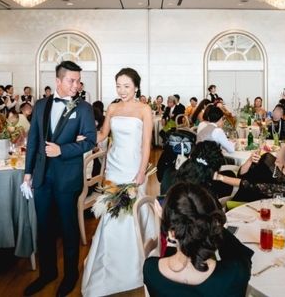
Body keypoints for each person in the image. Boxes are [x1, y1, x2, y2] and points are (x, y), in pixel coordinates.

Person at [23, 61, 97, 297]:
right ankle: (47, 273)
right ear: (58, 81)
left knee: (68, 228)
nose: (76, 85)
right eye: (71, 80)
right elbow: (33, 141)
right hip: (42, 176)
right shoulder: (41, 105)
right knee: (44, 227)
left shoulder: (84, 108)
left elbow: (90, 141)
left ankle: (70, 275)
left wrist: (62, 150)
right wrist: (28, 172)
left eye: (78, 81)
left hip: (67, 177)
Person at [82, 67, 155, 297]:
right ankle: (110, 261)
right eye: (118, 86)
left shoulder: (144, 109)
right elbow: (103, 135)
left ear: (136, 87)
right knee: (112, 215)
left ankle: (133, 263)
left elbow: (146, 144)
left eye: (126, 86)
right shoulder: (112, 108)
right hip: (114, 167)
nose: (122, 90)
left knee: (131, 212)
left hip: (133, 167)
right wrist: (84, 135)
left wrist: (141, 171)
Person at [143, 183, 252, 297]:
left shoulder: (151, 271)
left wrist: (168, 224)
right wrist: (213, 226)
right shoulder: (236, 273)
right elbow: (242, 254)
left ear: (171, 233)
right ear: (211, 223)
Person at [216, 141, 285, 202]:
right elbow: (241, 175)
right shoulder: (268, 159)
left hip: (249, 205)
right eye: (280, 151)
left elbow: (247, 184)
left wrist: (220, 177)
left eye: (283, 155)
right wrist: (249, 160)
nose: (277, 154)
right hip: (241, 192)